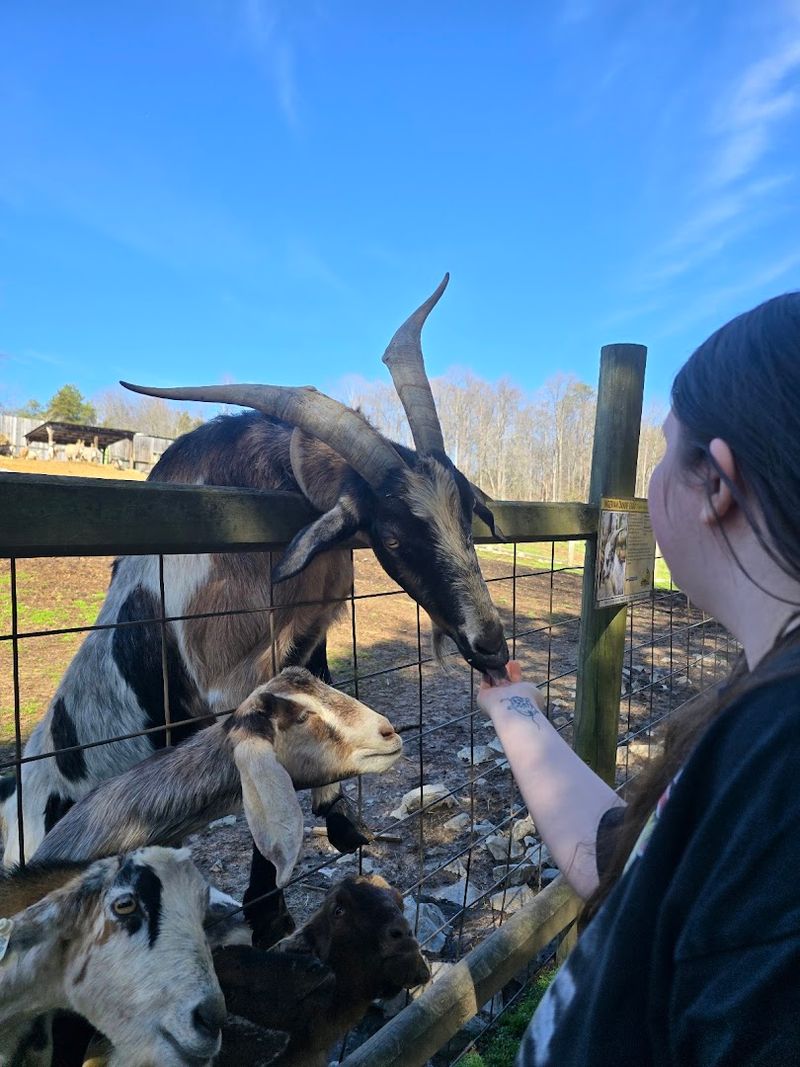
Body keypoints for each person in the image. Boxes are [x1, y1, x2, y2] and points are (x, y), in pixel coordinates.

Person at [478, 292, 800, 1066]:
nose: (651, 482)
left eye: (665, 450)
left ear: (716, 483)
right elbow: (634, 862)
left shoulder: (784, 752)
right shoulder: (760, 710)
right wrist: (510, 702)